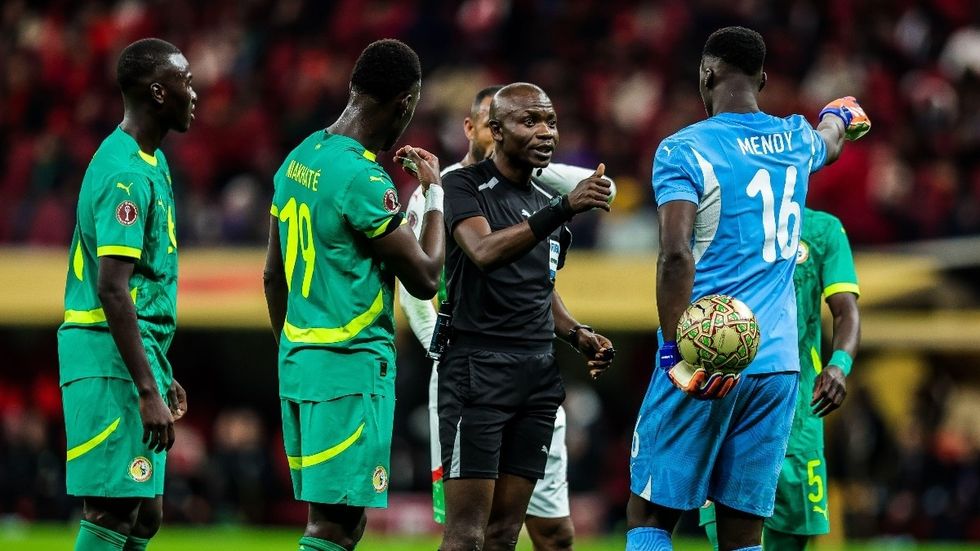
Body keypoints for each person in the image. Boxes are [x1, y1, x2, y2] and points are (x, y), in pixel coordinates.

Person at [627, 26, 870, 551]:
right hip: (778, 366)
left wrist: (675, 353)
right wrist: (839, 112)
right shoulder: (795, 138)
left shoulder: (683, 149)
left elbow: (675, 254)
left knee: (649, 512)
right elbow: (831, 138)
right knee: (743, 531)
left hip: (708, 353)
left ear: (706, 74)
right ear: (762, 79)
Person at [399, 83, 616, 551]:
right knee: (466, 535)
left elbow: (540, 288)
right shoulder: (462, 185)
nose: (546, 132)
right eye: (530, 121)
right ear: (495, 131)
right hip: (477, 371)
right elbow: (482, 251)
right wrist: (564, 206)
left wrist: (578, 334)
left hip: (537, 376)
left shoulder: (545, 202)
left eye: (551, 122)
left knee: (503, 534)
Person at [262, 39, 445, 551]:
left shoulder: (300, 157)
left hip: (300, 364)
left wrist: (293, 351)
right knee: (334, 526)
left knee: (341, 523)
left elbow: (272, 276)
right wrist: (433, 194)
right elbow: (426, 278)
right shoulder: (363, 178)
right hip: (348, 368)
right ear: (405, 103)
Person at [57, 38, 195, 551]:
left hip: (132, 351)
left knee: (144, 516)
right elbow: (112, 289)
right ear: (158, 92)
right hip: (104, 353)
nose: (194, 93)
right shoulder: (125, 174)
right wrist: (145, 387)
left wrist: (156, 366)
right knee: (112, 511)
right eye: (185, 82)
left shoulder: (149, 161)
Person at [700, 208, 861, 550]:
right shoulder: (729, 219)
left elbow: (846, 310)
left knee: (790, 541)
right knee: (728, 540)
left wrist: (839, 364)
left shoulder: (822, 229)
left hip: (799, 414)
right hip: (731, 406)